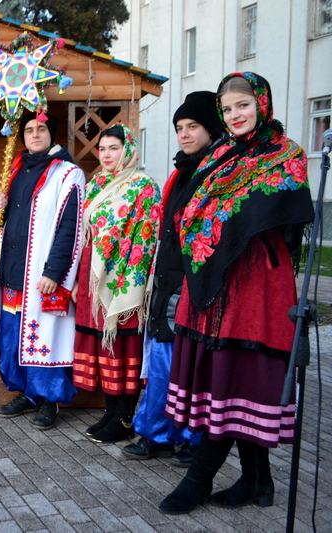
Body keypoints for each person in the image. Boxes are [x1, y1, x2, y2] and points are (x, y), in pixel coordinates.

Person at [158, 72, 314, 515]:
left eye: (242, 105)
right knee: (231, 380)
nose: (235, 115)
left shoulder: (285, 155)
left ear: (261, 103)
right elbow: (193, 210)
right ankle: (256, 480)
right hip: (212, 289)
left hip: (255, 287)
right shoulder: (221, 155)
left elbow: (270, 215)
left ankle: (198, 479)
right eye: (227, 109)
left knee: (234, 375)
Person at [123, 92, 225, 465]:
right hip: (168, 281)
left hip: (192, 286)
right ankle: (158, 432)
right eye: (179, 128)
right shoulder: (180, 173)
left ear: (211, 129)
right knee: (164, 361)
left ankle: (189, 437)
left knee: (189, 364)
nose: (184, 134)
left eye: (192, 127)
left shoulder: (216, 173)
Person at [0, 114, 85, 430]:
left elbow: (70, 226)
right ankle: (26, 393)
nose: (34, 134)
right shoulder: (14, 170)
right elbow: (6, 221)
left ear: (51, 134)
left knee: (44, 338)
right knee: (14, 337)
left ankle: (48, 399)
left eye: (41, 128)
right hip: (13, 272)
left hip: (42, 275)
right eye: (29, 130)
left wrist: (54, 272)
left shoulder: (67, 174)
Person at [72, 124, 160, 444]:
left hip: (125, 279)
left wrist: (126, 279)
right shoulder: (96, 184)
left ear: (128, 149)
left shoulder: (144, 186)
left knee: (122, 345)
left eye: (114, 148)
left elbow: (146, 237)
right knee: (103, 346)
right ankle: (111, 412)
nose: (108, 155)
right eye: (103, 149)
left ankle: (125, 417)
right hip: (94, 278)